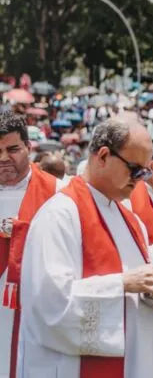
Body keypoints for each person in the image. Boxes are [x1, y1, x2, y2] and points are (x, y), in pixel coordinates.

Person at [18, 117, 153, 378]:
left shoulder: (131, 220)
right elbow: (49, 303)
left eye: (146, 172)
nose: (140, 180)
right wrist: (123, 283)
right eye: (135, 169)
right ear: (103, 156)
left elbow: (133, 291)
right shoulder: (60, 215)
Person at [0, 113, 60, 378]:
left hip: (31, 312)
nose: (3, 158)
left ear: (28, 147)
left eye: (12, 149)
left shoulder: (56, 193)